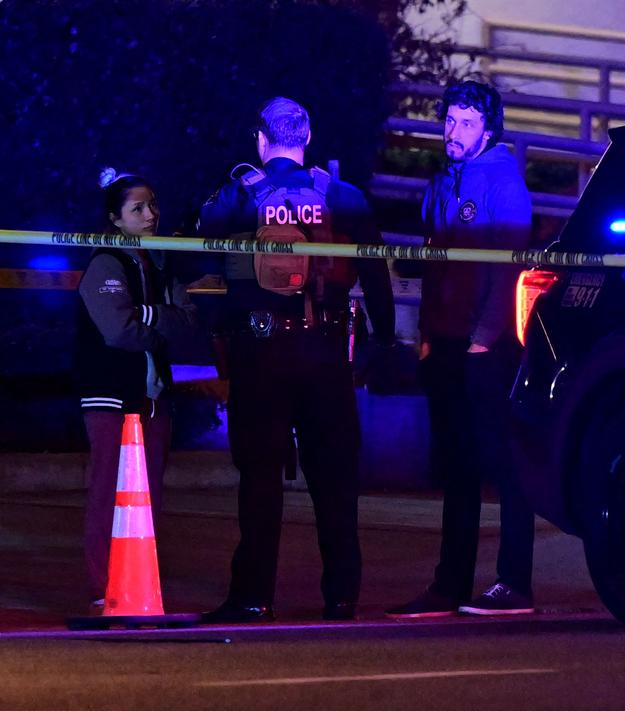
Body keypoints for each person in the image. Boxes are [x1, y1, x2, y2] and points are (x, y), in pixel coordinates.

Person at [198, 97, 396, 623]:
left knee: (260, 478)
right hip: (327, 353)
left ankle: (253, 597)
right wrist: (380, 342)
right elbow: (377, 274)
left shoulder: (240, 196)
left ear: (261, 140)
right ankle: (341, 597)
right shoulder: (344, 196)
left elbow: (198, 249)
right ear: (306, 137)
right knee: (334, 480)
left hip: (261, 354)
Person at [387, 80, 535, 618]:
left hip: (483, 349)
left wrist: (483, 339)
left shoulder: (504, 184)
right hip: (446, 342)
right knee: (457, 468)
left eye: (466, 123)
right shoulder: (440, 183)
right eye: (450, 120)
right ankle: (449, 585)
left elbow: (508, 269)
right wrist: (427, 335)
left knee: (503, 463)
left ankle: (515, 583)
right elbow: (433, 266)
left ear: (487, 129)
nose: (453, 131)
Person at [75, 169, 197, 611]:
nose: (151, 215)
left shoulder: (161, 262)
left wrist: (150, 316)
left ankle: (137, 581)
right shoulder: (105, 264)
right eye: (138, 208)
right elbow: (118, 330)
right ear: (115, 218)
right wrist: (158, 320)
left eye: (153, 206)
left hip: (154, 399)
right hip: (111, 397)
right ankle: (102, 586)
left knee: (149, 501)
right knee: (110, 492)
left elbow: (187, 319)